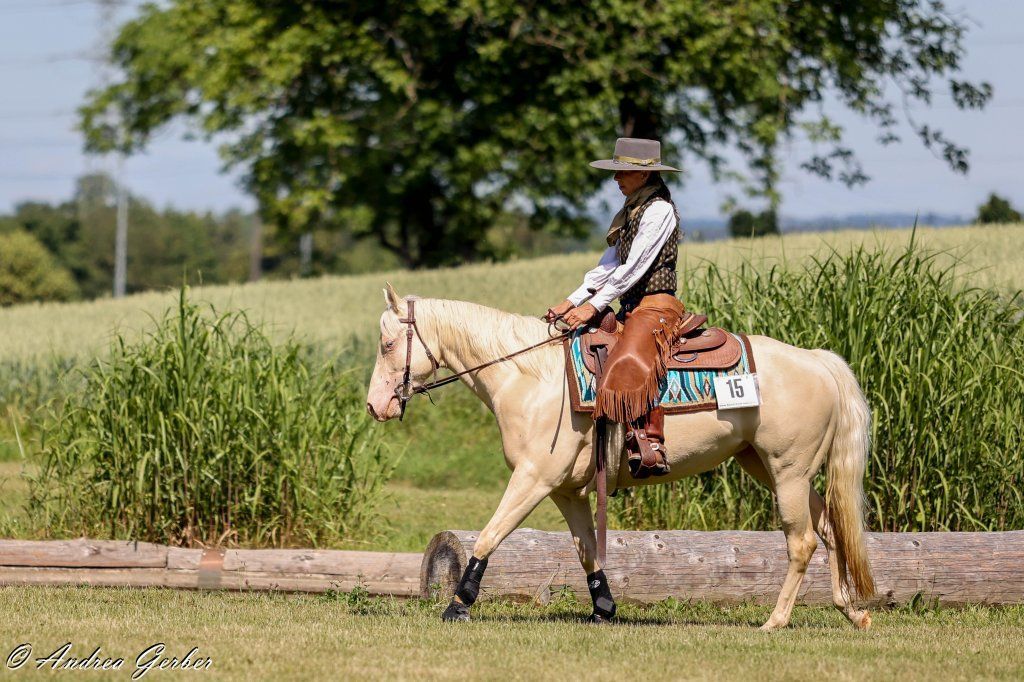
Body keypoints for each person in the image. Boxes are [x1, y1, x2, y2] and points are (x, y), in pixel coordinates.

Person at [546, 137, 684, 478]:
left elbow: (633, 268)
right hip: (632, 306)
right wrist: (572, 301)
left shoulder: (659, 210)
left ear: (644, 175)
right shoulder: (631, 212)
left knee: (629, 359)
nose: (615, 178)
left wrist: (594, 306)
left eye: (622, 171)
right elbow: (608, 266)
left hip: (656, 307)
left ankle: (649, 443)